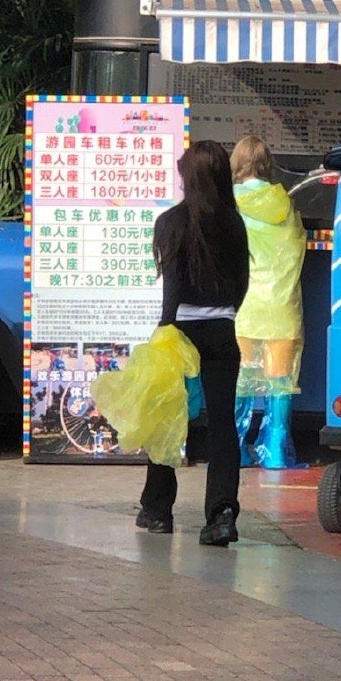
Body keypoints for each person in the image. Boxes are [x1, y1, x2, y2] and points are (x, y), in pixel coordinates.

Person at [136, 140, 249, 546]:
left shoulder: (170, 222)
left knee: (168, 418)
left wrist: (165, 329)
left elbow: (174, 287)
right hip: (222, 330)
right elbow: (241, 286)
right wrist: (223, 311)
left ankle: (158, 510)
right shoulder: (234, 223)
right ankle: (221, 515)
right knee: (222, 425)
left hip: (179, 331)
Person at [230, 136, 307, 469]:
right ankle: (275, 451)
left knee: (242, 380)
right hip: (282, 309)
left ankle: (236, 448)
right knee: (279, 382)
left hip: (246, 307)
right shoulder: (285, 203)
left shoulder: (229, 204)